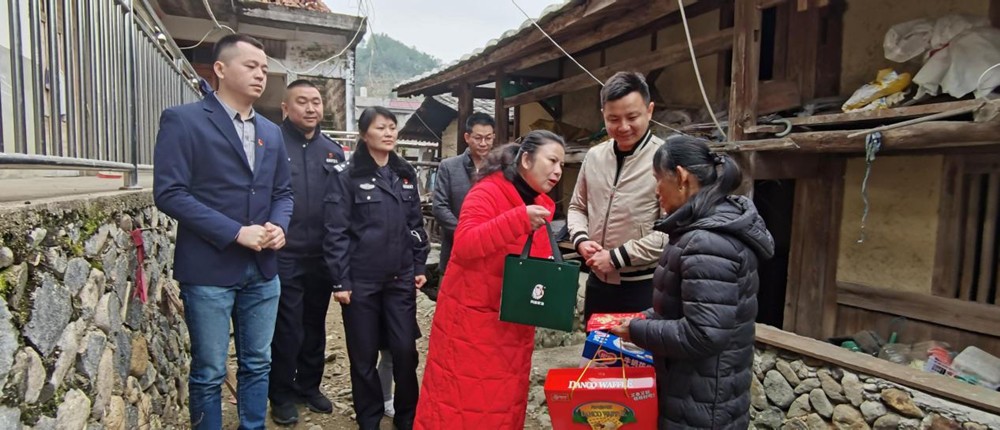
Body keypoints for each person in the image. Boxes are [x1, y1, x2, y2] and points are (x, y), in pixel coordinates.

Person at [153, 34, 292, 430]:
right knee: (210, 369)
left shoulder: (270, 130)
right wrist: (235, 232)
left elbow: (282, 193)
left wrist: (279, 226)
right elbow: (169, 193)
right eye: (251, 66)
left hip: (263, 268)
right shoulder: (184, 120)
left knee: (258, 363)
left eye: (265, 69)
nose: (260, 75)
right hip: (209, 267)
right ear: (219, 69)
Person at [609, 135, 774, 430]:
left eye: (658, 178)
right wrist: (643, 319)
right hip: (699, 392)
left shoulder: (707, 242)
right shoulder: (703, 231)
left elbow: (703, 334)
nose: (656, 189)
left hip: (701, 404)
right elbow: (692, 308)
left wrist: (637, 330)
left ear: (682, 177)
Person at [415, 131, 566, 430]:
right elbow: (466, 242)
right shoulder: (487, 192)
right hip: (472, 329)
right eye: (552, 160)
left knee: (501, 410)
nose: (558, 170)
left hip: (512, 328)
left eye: (561, 164)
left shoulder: (540, 206)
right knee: (462, 409)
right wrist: (518, 219)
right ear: (526, 159)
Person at [323, 106, 429, 430]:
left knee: (404, 351)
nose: (388, 133)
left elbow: (415, 223)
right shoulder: (347, 174)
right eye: (381, 127)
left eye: (392, 127)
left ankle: (407, 417)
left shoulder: (405, 173)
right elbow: (335, 231)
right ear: (364, 133)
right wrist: (340, 280)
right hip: (361, 280)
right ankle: (369, 420)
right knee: (363, 355)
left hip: (400, 277)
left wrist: (419, 262)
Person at [268, 79, 345, 425]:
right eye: (302, 102)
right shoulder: (269, 142)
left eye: (316, 102)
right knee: (286, 327)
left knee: (315, 323)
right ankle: (281, 393)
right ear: (286, 107)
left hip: (321, 255)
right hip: (284, 252)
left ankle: (309, 386)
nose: (311, 108)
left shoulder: (333, 151)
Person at [568, 71, 668, 325]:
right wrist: (581, 240)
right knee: (597, 360)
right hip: (598, 284)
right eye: (613, 119)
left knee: (639, 362)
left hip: (644, 288)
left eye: (632, 117)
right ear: (603, 115)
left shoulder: (666, 160)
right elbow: (577, 207)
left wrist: (615, 257)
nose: (623, 127)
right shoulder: (594, 156)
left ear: (650, 110)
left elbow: (671, 231)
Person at [431, 112, 497, 286]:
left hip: (491, 252)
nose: (483, 143)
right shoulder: (449, 167)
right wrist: (466, 234)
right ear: (467, 137)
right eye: (478, 138)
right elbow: (439, 207)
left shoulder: (501, 168)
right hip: (455, 248)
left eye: (488, 138)